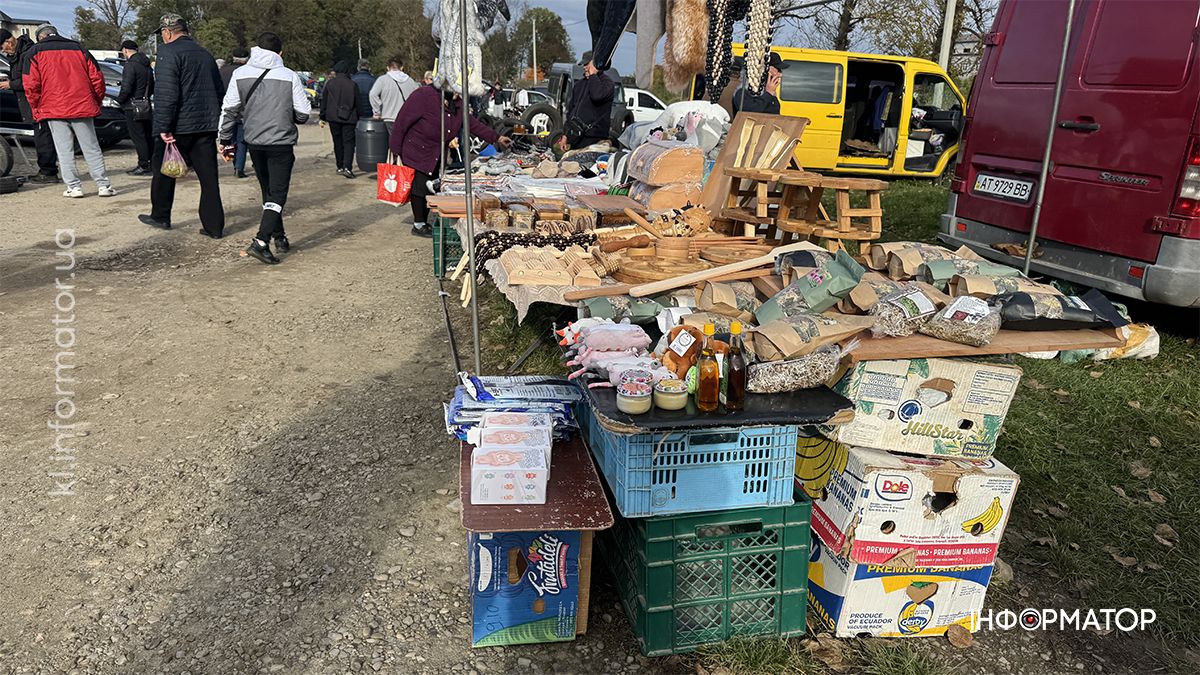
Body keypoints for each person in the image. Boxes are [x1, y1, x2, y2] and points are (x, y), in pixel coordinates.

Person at [219, 32, 311, 265]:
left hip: (254, 141)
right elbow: (303, 113)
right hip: (281, 142)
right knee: (278, 193)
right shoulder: (289, 76)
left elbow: (229, 109)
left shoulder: (240, 74)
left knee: (268, 191)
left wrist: (224, 139)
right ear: (280, 53)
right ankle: (260, 242)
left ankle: (279, 237)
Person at [139, 13, 225, 237]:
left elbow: (167, 94)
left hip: (179, 126)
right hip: (206, 126)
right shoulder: (206, 54)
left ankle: (160, 215)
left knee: (164, 172)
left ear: (167, 33)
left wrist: (163, 127)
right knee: (209, 179)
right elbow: (219, 91)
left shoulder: (168, 53)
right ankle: (214, 227)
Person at [389, 85, 512, 237]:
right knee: (419, 186)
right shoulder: (423, 96)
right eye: (455, 91)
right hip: (417, 149)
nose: (457, 94)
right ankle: (419, 223)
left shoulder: (457, 104)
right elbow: (402, 122)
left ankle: (424, 220)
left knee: (431, 185)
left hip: (436, 152)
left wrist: (497, 138)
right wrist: (395, 150)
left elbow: (472, 124)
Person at [21, 25, 114, 198]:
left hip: (53, 108)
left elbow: (31, 84)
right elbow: (97, 78)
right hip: (82, 106)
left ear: (40, 37)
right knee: (91, 147)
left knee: (64, 150)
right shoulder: (79, 48)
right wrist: (96, 100)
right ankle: (103, 185)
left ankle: (74, 187)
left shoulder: (34, 52)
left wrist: (36, 106)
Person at [3, 32, 58, 183]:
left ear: (9, 41)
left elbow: (33, 80)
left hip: (37, 103)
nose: (3, 51)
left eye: (3, 47)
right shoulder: (21, 53)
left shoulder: (28, 53)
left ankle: (48, 172)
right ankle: (47, 170)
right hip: (31, 102)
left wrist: (11, 84)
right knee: (42, 137)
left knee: (43, 138)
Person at [115, 39, 154, 176]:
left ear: (125, 50)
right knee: (148, 135)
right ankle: (152, 163)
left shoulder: (130, 65)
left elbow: (126, 88)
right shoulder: (146, 65)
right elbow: (152, 86)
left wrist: (120, 101)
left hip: (132, 106)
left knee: (138, 137)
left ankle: (143, 165)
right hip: (145, 104)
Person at [565, 53, 614, 149]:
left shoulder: (607, 83)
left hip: (595, 138)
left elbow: (597, 96)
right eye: (584, 65)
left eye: (587, 65)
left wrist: (593, 74)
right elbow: (571, 110)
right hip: (577, 136)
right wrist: (566, 134)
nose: (584, 68)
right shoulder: (579, 84)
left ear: (595, 65)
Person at [320, 61, 359, 178]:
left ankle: (340, 166)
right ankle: (347, 166)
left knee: (337, 142)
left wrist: (323, 116)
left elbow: (324, 101)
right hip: (349, 117)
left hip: (333, 117)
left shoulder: (330, 84)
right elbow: (358, 102)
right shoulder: (353, 84)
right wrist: (360, 116)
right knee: (348, 143)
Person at [368, 54, 418, 138]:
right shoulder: (410, 81)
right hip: (407, 118)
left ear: (388, 68)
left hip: (389, 117)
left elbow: (373, 94)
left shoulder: (382, 80)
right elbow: (418, 97)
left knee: (393, 143)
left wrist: (377, 111)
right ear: (401, 68)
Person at [220, 48, 251, 178]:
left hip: (227, 109)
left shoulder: (223, 71)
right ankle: (239, 167)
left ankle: (233, 162)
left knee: (230, 139)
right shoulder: (248, 72)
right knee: (242, 141)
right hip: (244, 111)